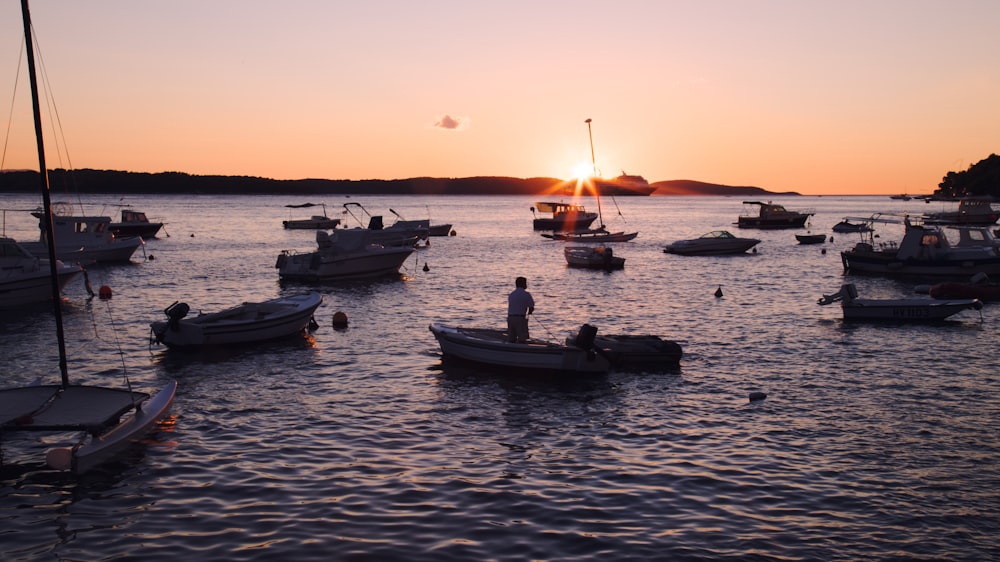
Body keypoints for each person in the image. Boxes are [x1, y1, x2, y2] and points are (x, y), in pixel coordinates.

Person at [507, 276, 535, 343]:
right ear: (523, 284)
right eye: (525, 283)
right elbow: (531, 307)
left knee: (511, 339)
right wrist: (530, 312)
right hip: (520, 319)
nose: (526, 285)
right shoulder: (526, 294)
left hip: (510, 318)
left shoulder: (511, 294)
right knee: (522, 339)